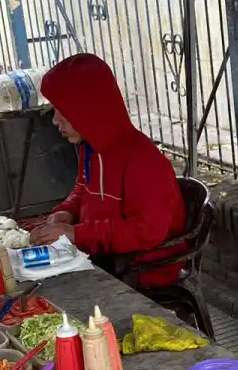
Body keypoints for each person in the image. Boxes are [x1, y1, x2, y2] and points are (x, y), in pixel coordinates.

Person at [31, 53, 187, 287]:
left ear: (87, 109)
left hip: (142, 267)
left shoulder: (143, 160)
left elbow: (147, 230)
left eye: (61, 110)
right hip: (102, 254)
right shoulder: (91, 148)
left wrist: (76, 234)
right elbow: (82, 189)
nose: (55, 121)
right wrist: (67, 212)